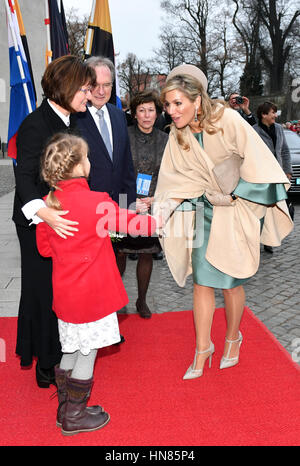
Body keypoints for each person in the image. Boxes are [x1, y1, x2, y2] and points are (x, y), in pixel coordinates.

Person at [154, 64, 293, 380]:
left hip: (237, 209)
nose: (171, 112)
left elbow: (260, 163)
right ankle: (203, 348)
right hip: (203, 211)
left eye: (177, 104)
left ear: (197, 100)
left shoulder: (228, 120)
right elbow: (175, 179)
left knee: (230, 282)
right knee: (201, 280)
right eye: (168, 105)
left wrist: (235, 190)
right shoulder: (179, 133)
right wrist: (163, 212)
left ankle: (233, 337)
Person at [37, 133, 156, 435]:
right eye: (87, 157)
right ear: (78, 166)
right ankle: (75, 416)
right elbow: (131, 226)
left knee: (72, 349)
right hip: (93, 296)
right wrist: (161, 219)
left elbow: (45, 250)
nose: (90, 162)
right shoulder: (95, 200)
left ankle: (65, 408)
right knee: (88, 352)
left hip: (66, 296)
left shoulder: (47, 205)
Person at [12, 55, 95, 388]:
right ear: (67, 86)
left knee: (60, 289)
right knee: (42, 289)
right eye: (85, 89)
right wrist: (46, 214)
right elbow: (26, 178)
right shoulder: (36, 123)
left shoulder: (71, 121)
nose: (88, 95)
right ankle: (45, 362)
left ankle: (59, 355)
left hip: (60, 218)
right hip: (36, 221)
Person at [117, 90, 169, 318]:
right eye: (141, 110)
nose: (147, 115)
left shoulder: (166, 140)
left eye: (151, 110)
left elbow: (170, 174)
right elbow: (116, 170)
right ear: (134, 113)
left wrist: (155, 197)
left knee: (147, 253)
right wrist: (130, 198)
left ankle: (142, 300)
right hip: (124, 202)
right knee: (119, 252)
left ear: (157, 113)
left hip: (151, 203)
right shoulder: (123, 136)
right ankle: (116, 299)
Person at [253, 101, 293, 252]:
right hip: (262, 176)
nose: (275, 115)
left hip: (278, 175)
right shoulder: (254, 131)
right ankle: (261, 237)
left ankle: (269, 237)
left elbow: (285, 151)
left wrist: (287, 171)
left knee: (276, 207)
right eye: (272, 113)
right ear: (264, 114)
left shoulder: (279, 129)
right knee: (262, 209)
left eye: (275, 112)